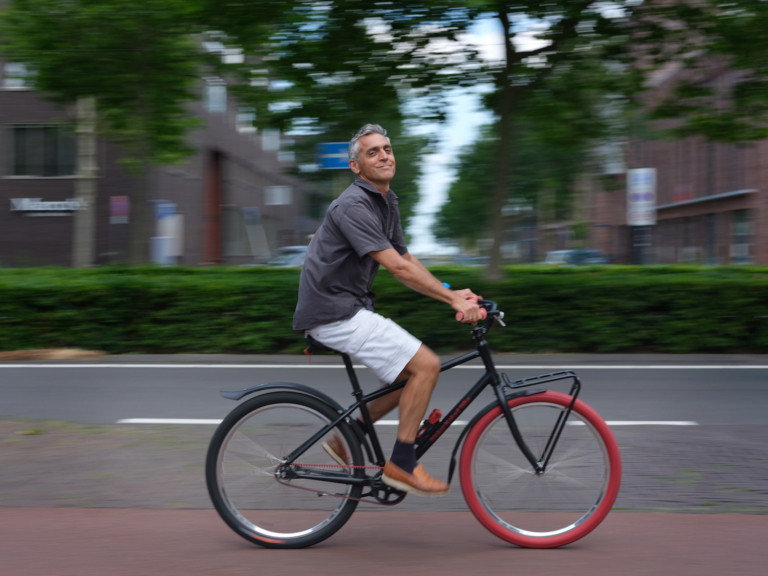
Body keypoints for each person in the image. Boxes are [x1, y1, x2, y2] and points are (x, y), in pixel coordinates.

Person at [293, 123, 481, 497]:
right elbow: (395, 268)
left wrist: (449, 291)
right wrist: (454, 302)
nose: (384, 155)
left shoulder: (385, 201)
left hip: (346, 307)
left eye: (387, 149)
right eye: (372, 152)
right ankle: (402, 465)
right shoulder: (353, 205)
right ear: (356, 167)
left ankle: (348, 439)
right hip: (334, 311)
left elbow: (404, 258)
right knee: (426, 365)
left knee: (406, 376)